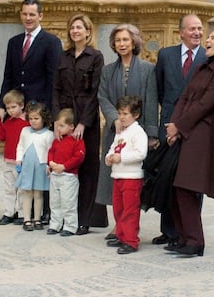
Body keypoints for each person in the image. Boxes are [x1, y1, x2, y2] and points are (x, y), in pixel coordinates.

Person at [0, 0, 62, 225]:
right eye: (25, 14)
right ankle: (11, 210)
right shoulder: (14, 42)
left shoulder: (51, 42)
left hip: (37, 114)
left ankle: (39, 211)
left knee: (39, 162)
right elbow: (8, 76)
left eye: (32, 14)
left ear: (41, 16)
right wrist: (2, 107)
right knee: (16, 164)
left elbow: (53, 80)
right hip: (16, 113)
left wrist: (48, 115)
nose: (28, 18)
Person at [164, 29, 214, 257]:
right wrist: (174, 125)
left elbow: (206, 104)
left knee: (187, 186)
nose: (207, 40)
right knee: (177, 185)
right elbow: (184, 97)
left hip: (201, 133)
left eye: (213, 37)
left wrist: (179, 126)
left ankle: (195, 241)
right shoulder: (203, 65)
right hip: (185, 131)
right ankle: (184, 238)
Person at [96, 23, 158, 240]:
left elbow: (150, 102)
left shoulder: (148, 70)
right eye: (118, 40)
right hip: (115, 132)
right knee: (114, 181)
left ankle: (129, 228)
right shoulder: (107, 71)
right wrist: (114, 119)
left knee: (131, 185)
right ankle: (117, 226)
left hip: (136, 135)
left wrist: (151, 134)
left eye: (125, 40)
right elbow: (102, 97)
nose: (121, 44)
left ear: (134, 42)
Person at [153, 14, 207, 247]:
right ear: (181, 33)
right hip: (168, 125)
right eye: (192, 29)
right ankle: (169, 231)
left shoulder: (208, 57)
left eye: (200, 28)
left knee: (191, 180)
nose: (197, 32)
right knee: (167, 176)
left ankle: (188, 231)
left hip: (194, 128)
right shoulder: (165, 55)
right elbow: (160, 89)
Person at [52, 13, 107, 235]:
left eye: (79, 27)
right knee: (64, 168)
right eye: (72, 27)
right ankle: (64, 218)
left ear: (88, 31)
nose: (75, 31)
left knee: (87, 169)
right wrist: (57, 120)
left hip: (87, 119)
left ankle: (85, 219)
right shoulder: (63, 57)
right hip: (64, 119)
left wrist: (84, 122)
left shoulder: (96, 56)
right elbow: (55, 89)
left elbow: (96, 92)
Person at [104, 96, 148, 254]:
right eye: (119, 113)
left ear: (135, 115)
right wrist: (109, 157)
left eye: (125, 114)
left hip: (131, 178)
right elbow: (114, 148)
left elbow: (140, 153)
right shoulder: (121, 132)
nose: (121, 117)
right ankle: (121, 235)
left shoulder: (138, 132)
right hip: (118, 176)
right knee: (118, 209)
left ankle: (131, 241)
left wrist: (121, 158)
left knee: (130, 210)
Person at [15, 101, 54, 232]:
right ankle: (27, 218)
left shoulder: (49, 134)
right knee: (27, 193)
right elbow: (20, 146)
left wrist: (49, 165)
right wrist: (19, 159)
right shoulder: (25, 131)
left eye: (36, 118)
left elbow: (50, 151)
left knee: (38, 194)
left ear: (44, 118)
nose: (33, 121)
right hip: (27, 166)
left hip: (40, 167)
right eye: (31, 118)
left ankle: (37, 218)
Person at [47, 108, 86, 237]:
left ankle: (70, 226)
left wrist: (64, 166)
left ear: (71, 127)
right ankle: (55, 224)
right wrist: (50, 162)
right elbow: (51, 151)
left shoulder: (77, 141)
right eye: (57, 126)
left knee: (68, 202)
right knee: (55, 201)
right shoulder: (57, 140)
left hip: (68, 176)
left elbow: (79, 157)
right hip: (55, 175)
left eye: (62, 126)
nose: (58, 129)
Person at [0, 89, 30, 226]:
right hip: (8, 161)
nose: (10, 111)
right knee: (9, 188)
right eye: (8, 108)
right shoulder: (8, 122)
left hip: (21, 161)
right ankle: (8, 212)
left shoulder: (27, 123)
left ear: (21, 105)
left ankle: (21, 213)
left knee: (22, 189)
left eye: (13, 107)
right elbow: (1, 136)